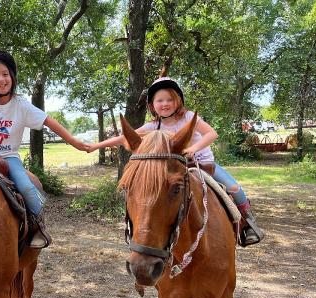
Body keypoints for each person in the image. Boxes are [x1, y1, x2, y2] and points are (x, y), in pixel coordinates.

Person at [88, 75, 264, 246]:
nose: (164, 104)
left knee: (234, 188)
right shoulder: (152, 126)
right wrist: (96, 146)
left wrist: (193, 148)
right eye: (160, 100)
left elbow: (211, 133)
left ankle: (247, 225)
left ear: (177, 101)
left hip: (203, 165)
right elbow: (124, 138)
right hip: (175, 168)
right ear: (152, 105)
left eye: (169, 100)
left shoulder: (188, 118)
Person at [0, 50, 90, 248]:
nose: (0, 80)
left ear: (12, 76)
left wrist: (73, 141)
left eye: (4, 74)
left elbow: (49, 121)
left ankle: (37, 226)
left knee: (28, 188)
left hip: (9, 157)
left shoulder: (21, 105)